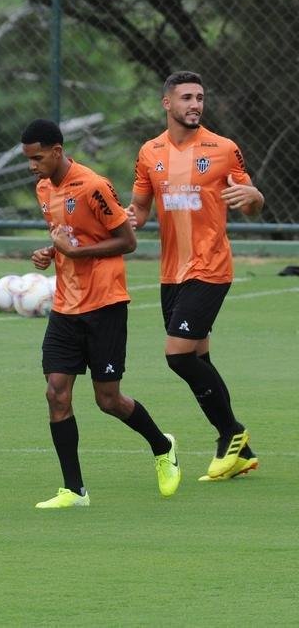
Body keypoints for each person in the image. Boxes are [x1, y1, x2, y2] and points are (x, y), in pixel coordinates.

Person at [21, 118, 180, 508]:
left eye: (37, 157)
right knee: (56, 394)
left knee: (108, 400)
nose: (32, 165)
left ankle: (162, 446)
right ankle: (74, 490)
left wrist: (75, 252)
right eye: (27, 159)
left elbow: (127, 241)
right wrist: (52, 252)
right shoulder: (44, 189)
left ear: (57, 151)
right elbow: (67, 236)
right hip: (65, 307)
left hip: (105, 305)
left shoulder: (94, 185)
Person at [127, 71, 264, 481]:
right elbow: (140, 210)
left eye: (200, 97)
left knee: (177, 354)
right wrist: (123, 221)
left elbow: (250, 202)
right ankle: (239, 450)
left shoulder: (223, 149)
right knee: (198, 357)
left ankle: (231, 434)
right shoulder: (150, 152)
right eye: (187, 97)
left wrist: (254, 198)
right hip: (171, 272)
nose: (196, 104)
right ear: (167, 103)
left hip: (211, 266)